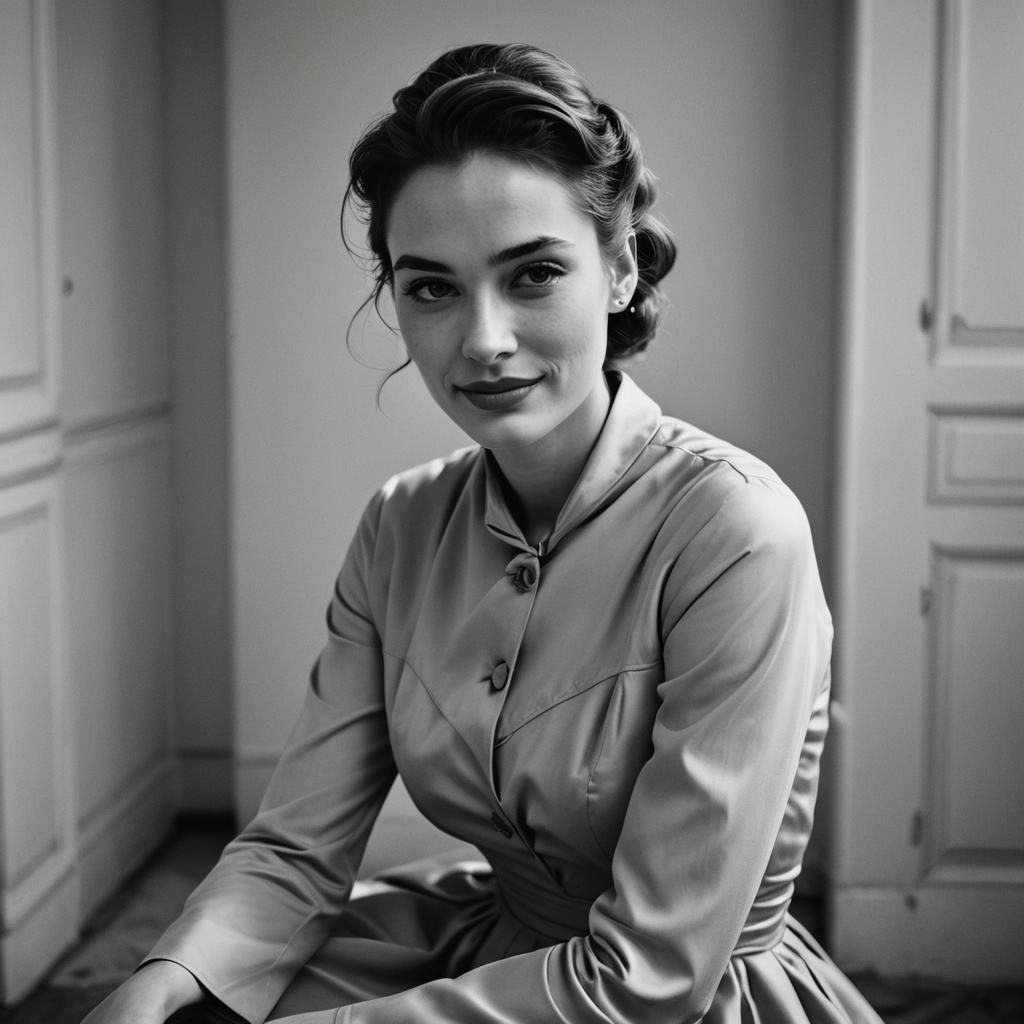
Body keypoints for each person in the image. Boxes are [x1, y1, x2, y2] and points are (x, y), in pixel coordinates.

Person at [83, 42, 883, 1024]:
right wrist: (164, 977)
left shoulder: (732, 529)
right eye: (432, 288)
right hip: (486, 947)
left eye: (533, 273)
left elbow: (648, 977)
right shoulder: (400, 522)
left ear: (620, 268)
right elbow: (296, 846)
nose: (482, 339)